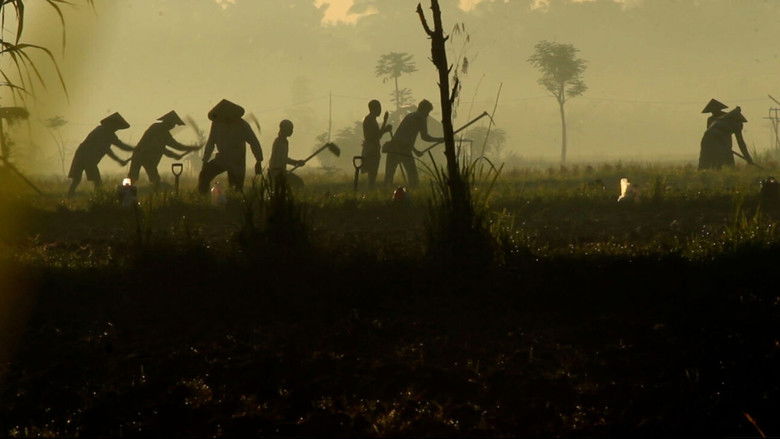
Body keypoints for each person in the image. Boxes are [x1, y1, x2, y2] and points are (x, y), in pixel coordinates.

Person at [198, 99, 263, 193]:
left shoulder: (242, 125)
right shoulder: (217, 124)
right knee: (204, 175)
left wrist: (259, 160)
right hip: (222, 158)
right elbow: (211, 142)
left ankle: (234, 203)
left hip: (237, 160)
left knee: (235, 187)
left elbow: (254, 142)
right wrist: (205, 160)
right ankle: (202, 199)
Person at [68, 112, 134, 197]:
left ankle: (74, 196)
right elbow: (107, 149)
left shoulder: (109, 134)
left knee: (81, 180)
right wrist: (119, 159)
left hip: (87, 157)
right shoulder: (100, 131)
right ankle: (97, 197)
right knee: (90, 180)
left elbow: (120, 145)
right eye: (116, 126)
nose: (116, 128)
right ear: (111, 124)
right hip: (85, 156)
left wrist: (135, 149)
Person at [128, 111, 200, 187]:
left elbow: (175, 146)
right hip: (141, 155)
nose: (173, 126)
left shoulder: (163, 132)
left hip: (147, 158)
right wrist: (175, 154)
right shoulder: (157, 129)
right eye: (173, 124)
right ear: (168, 122)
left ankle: (154, 193)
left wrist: (191, 148)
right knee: (133, 178)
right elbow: (160, 147)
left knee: (154, 179)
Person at [382, 99, 443, 188]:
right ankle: (412, 193)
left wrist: (415, 150)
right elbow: (424, 137)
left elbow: (405, 136)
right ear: (424, 109)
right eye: (428, 112)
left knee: (389, 175)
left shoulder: (409, 116)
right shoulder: (421, 118)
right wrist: (439, 140)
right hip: (404, 150)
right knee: (413, 177)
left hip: (394, 147)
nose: (428, 115)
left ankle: (387, 193)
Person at [361, 100, 392, 188]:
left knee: (373, 174)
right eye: (379, 108)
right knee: (372, 174)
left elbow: (378, 135)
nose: (380, 110)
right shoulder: (369, 120)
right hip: (371, 150)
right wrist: (385, 128)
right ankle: (370, 192)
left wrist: (384, 122)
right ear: (374, 109)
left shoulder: (371, 119)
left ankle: (370, 191)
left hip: (372, 149)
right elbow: (375, 136)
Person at [268, 120, 306, 187]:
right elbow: (282, 159)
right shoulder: (279, 142)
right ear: (284, 129)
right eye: (290, 129)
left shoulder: (284, 141)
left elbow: (284, 159)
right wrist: (296, 162)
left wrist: (296, 162)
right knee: (299, 183)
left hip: (281, 171)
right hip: (276, 172)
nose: (292, 131)